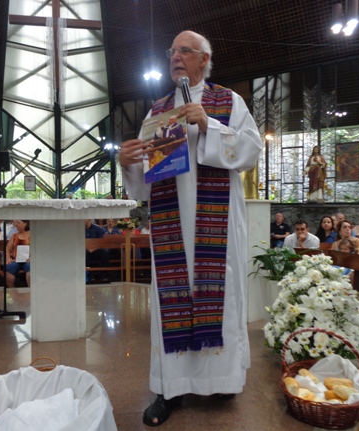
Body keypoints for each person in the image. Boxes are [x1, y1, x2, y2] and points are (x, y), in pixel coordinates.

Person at [119, 30, 262, 426]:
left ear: (204, 59)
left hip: (217, 225)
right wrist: (128, 163)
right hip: (172, 224)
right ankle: (170, 389)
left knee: (219, 294)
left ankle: (222, 380)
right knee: (173, 299)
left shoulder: (228, 101)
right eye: (172, 52)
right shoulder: (158, 112)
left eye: (185, 51)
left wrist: (210, 125)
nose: (175, 57)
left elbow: (251, 151)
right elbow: (144, 183)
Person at [6, 220, 31, 287]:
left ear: (25, 223)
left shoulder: (32, 235)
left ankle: (30, 290)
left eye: (19, 223)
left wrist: (31, 257)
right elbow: (8, 249)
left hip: (28, 260)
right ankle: (12, 290)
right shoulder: (14, 236)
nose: (16, 225)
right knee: (8, 270)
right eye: (16, 223)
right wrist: (8, 258)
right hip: (16, 260)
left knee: (30, 269)